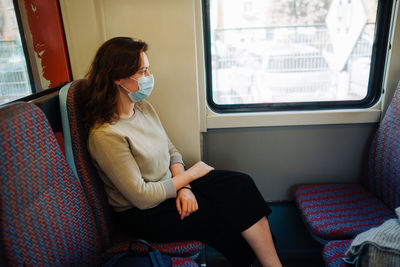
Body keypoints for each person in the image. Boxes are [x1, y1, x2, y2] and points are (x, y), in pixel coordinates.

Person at [80, 36, 282, 267]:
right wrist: (191, 176)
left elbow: (171, 151)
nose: (148, 78)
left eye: (148, 70)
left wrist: (185, 188)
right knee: (217, 215)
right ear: (117, 78)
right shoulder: (105, 134)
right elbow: (141, 197)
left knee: (239, 185)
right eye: (141, 72)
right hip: (144, 213)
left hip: (171, 186)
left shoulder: (144, 109)